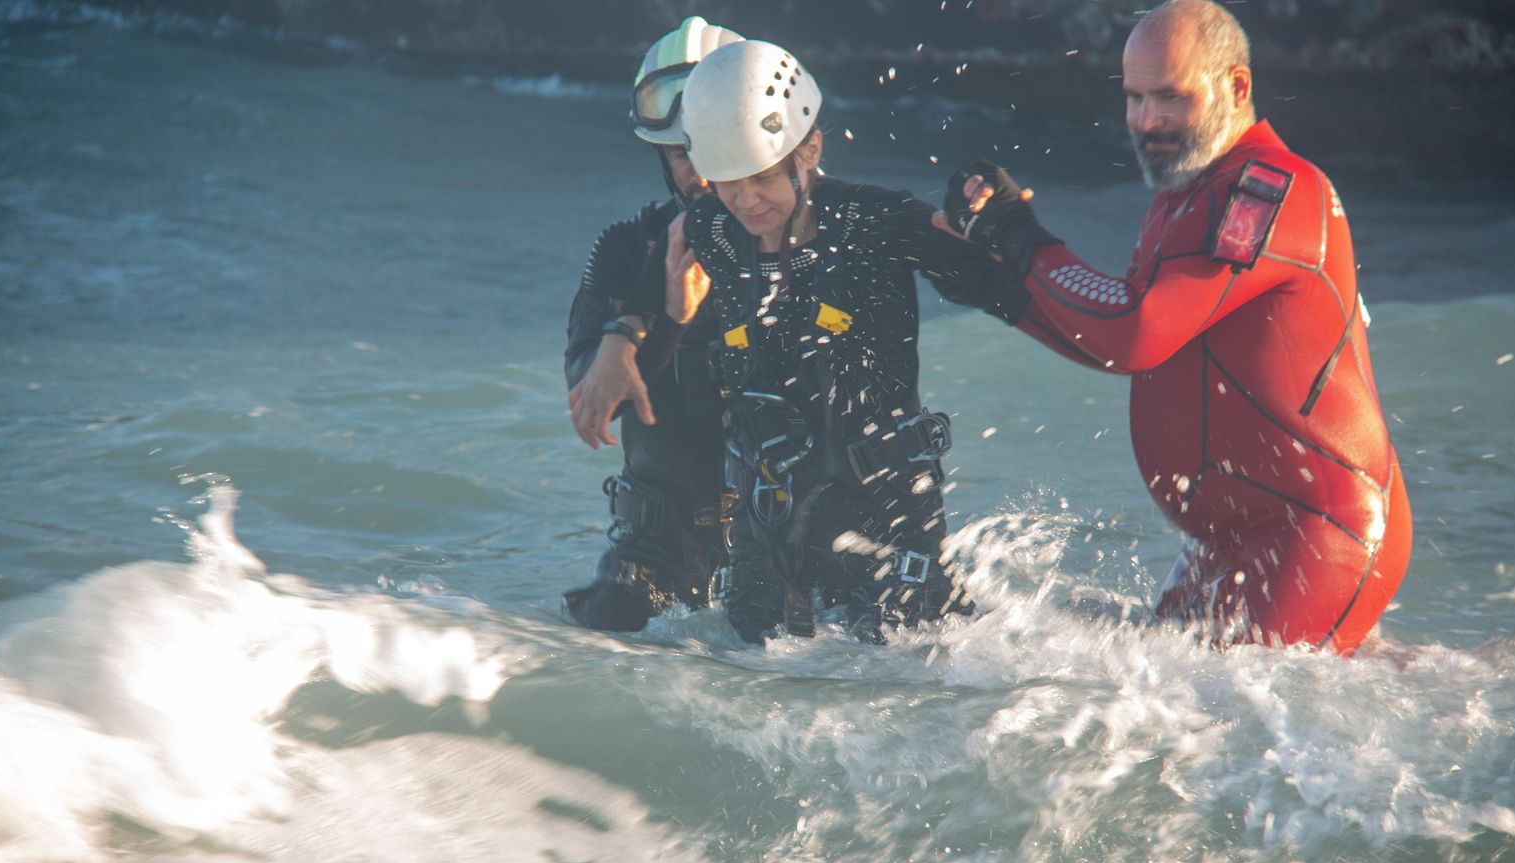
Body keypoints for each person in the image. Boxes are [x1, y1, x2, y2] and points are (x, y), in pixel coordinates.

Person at [937, 0, 1411, 654]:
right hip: (1231, 535)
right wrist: (997, 291)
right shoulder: (1183, 196)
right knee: (1161, 708)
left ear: (1237, 86)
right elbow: (1122, 340)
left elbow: (1134, 330)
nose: (1146, 121)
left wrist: (1019, 237)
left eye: (1170, 97)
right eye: (1133, 99)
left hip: (1316, 528)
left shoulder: (1269, 191)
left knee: (1217, 728)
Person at [587, 39, 1025, 644]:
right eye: (730, 181)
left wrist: (1002, 224)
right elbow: (674, 241)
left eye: (763, 176)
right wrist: (627, 332)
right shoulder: (714, 227)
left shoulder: (880, 223)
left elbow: (996, 288)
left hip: (885, 550)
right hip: (763, 569)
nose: (746, 201)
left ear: (811, 147)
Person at [560, 17, 742, 632]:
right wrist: (659, 321)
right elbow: (593, 413)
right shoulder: (623, 248)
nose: (702, 171)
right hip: (655, 552)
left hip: (790, 542)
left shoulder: (810, 243)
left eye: (716, 145)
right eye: (682, 151)